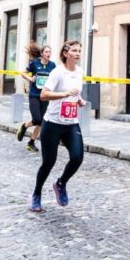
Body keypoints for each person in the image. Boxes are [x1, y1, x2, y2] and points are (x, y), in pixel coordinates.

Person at [29, 40, 88, 212]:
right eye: (74, 51)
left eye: (79, 51)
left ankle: (61, 183)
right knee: (48, 162)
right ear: (65, 53)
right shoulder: (57, 72)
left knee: (77, 158)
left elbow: (75, 93)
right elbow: (44, 95)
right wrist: (64, 94)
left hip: (71, 123)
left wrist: (79, 100)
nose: (78, 53)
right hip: (52, 123)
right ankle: (36, 195)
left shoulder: (80, 72)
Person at [16, 43, 55, 154]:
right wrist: (31, 79)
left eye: (50, 52)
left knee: (41, 122)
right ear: (42, 54)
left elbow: (55, 78)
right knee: (37, 119)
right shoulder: (34, 63)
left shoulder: (52, 65)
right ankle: (24, 126)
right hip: (34, 95)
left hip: (45, 96)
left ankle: (31, 143)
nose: (48, 53)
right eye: (46, 52)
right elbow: (23, 73)